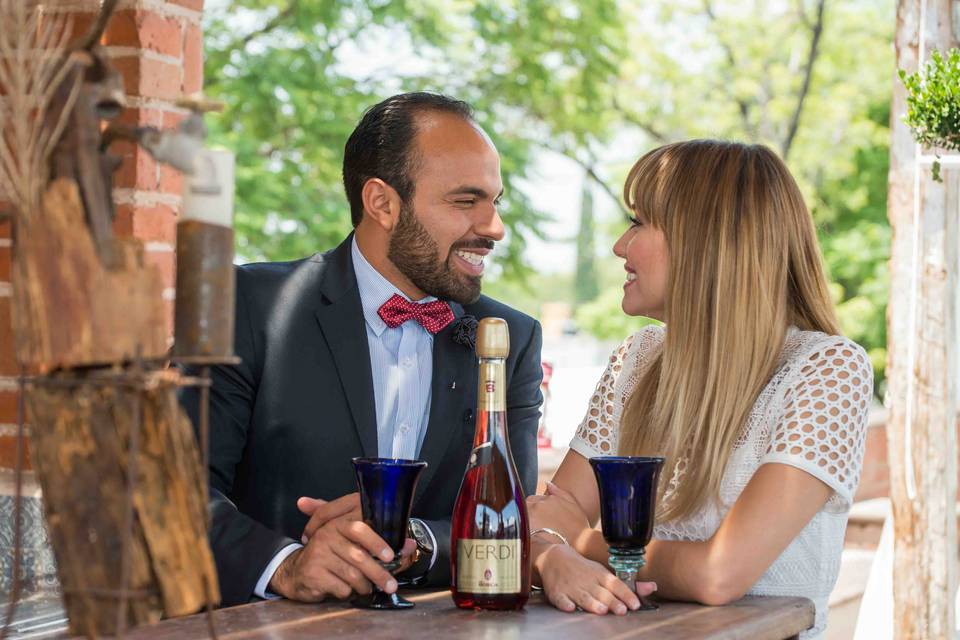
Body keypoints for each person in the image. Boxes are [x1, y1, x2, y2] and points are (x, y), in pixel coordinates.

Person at [181, 92, 543, 606]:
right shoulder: (247, 307)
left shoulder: (510, 337)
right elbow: (170, 490)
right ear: (382, 203)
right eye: (466, 201)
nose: (494, 227)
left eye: (494, 201)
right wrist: (285, 566)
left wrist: (420, 540)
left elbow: (517, 515)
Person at [527, 140, 871, 640]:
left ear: (704, 241)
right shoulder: (638, 358)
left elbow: (719, 575)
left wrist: (578, 540)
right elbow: (542, 521)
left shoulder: (827, 369)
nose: (620, 246)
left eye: (639, 222)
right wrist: (551, 555)